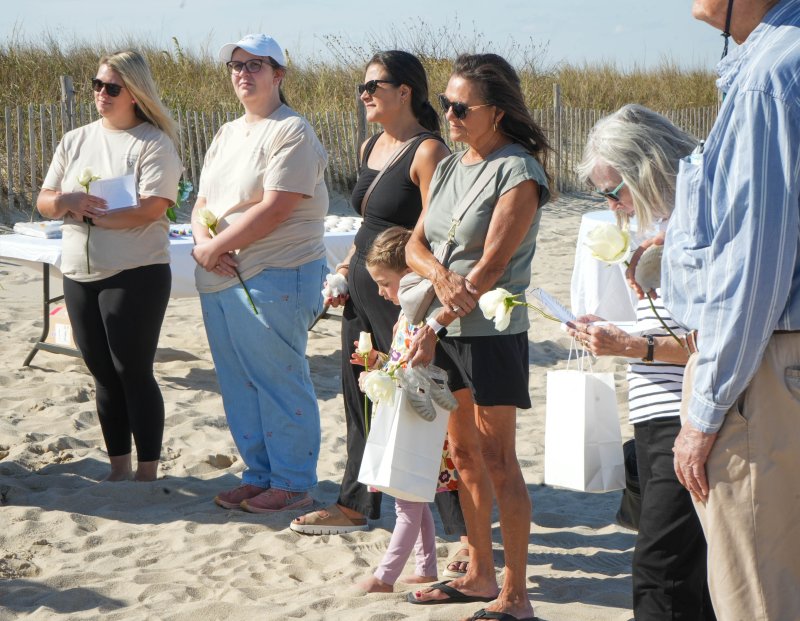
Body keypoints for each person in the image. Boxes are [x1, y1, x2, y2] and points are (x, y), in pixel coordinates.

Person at [291, 50, 469, 577]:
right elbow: (369, 223)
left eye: (374, 85)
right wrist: (344, 270)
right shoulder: (373, 145)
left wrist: (428, 300)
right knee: (360, 398)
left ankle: (460, 531)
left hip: (406, 300)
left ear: (405, 91)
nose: (364, 94)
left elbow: (441, 233)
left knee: (424, 411)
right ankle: (355, 503)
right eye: (362, 86)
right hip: (362, 295)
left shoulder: (428, 150)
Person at [661, 1, 800, 618]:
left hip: (762, 368)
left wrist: (706, 409)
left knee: (757, 595)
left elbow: (754, 268)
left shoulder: (770, 77)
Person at [404, 53, 550, 621]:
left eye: (461, 106)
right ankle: (480, 574)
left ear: (497, 110)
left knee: (497, 458)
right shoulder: (447, 166)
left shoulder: (520, 171)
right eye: (445, 103)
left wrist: (435, 318)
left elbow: (491, 266)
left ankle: (517, 594)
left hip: (489, 329)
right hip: (444, 320)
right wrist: (438, 278)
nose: (450, 114)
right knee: (462, 453)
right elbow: (415, 243)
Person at [570, 105, 714, 620]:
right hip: (657, 410)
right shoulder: (664, 225)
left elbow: (715, 340)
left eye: (615, 190)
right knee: (683, 569)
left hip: (693, 410)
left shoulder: (698, 226)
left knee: (662, 569)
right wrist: (612, 332)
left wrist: (630, 345)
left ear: (646, 168)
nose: (613, 205)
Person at [191, 34, 328, 514]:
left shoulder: (292, 131)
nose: (243, 73)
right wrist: (204, 246)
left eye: (256, 64)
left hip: (276, 272)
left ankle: (292, 481)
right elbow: (203, 203)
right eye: (236, 64)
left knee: (279, 378)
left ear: (279, 74)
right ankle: (259, 475)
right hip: (221, 273)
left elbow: (276, 207)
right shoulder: (227, 133)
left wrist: (216, 247)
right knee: (238, 380)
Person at [36, 50, 182, 482]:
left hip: (135, 272)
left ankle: (148, 473)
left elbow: (152, 209)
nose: (101, 93)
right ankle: (118, 468)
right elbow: (45, 201)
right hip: (79, 271)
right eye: (97, 85)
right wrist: (66, 202)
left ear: (134, 94)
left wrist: (91, 215)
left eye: (111, 87)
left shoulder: (154, 143)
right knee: (100, 371)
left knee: (132, 370)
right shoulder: (75, 139)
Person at [353, 226, 462, 593]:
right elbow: (400, 364)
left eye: (386, 284)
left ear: (412, 276)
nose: (382, 294)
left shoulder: (423, 321)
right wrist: (378, 363)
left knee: (407, 502)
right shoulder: (405, 318)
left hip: (422, 423)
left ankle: (385, 576)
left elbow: (422, 370)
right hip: (410, 417)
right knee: (412, 496)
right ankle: (426, 565)